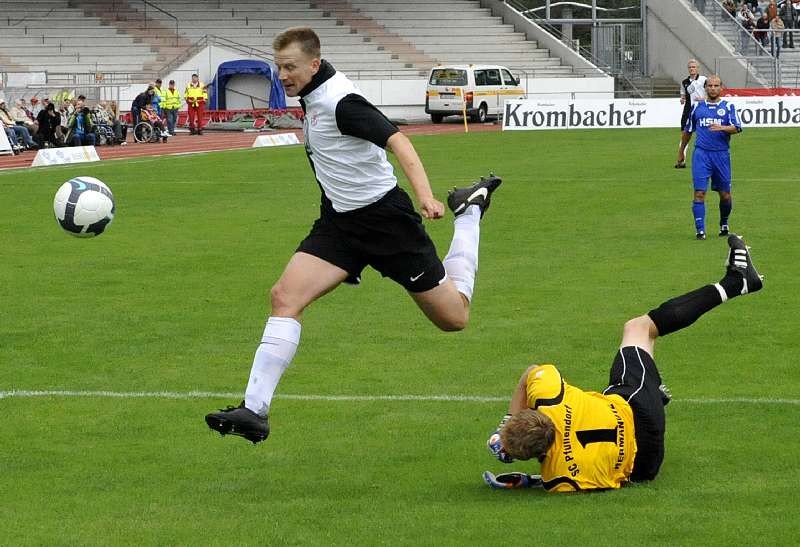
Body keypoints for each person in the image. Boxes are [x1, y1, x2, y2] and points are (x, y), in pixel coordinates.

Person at [205, 26, 502, 444]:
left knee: (454, 318)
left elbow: (398, 140)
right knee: (284, 297)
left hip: (386, 223)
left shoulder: (340, 102)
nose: (283, 75)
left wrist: (425, 197)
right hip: (340, 224)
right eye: (279, 67)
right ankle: (255, 410)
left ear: (314, 63)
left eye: (290, 67)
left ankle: (468, 211)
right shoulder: (314, 93)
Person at [483, 235, 763, 492]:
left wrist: (527, 467)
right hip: (637, 409)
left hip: (646, 467)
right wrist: (504, 426)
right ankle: (737, 282)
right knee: (639, 328)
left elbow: (586, 482)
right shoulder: (550, 397)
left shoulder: (558, 478)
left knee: (621, 386)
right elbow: (531, 372)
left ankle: (655, 390)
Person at [684, 75, 741, 240]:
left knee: (725, 195)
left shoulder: (728, 106)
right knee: (699, 193)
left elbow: (737, 127)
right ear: (706, 87)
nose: (713, 88)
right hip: (701, 155)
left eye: (716, 85)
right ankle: (700, 230)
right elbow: (688, 130)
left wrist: (722, 128)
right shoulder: (697, 107)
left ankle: (724, 223)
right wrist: (681, 152)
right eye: (710, 85)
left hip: (721, 155)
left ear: (721, 88)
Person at [675, 59, 706, 169]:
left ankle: (704, 161)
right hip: (688, 110)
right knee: (684, 134)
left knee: (703, 135)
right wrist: (682, 99)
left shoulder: (704, 80)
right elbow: (683, 94)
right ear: (688, 69)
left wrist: (703, 98)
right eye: (690, 67)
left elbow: (711, 93)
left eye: (694, 67)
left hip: (701, 110)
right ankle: (681, 160)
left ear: (697, 68)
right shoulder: (684, 82)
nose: (692, 69)